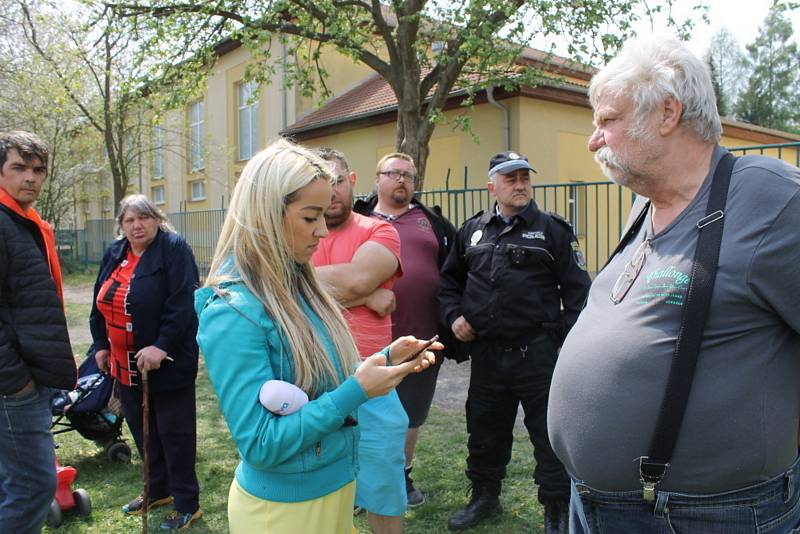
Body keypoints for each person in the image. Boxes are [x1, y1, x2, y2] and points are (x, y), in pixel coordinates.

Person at [547, 35, 800, 533]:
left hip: (704, 515)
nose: (594, 140)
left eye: (608, 121)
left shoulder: (772, 201)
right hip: (596, 502)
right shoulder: (646, 203)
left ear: (667, 114)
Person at [194, 138, 439, 534]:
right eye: (310, 217)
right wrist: (356, 390)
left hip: (333, 490)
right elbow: (261, 444)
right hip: (283, 512)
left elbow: (316, 377)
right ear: (266, 215)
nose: (323, 231)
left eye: (324, 215)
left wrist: (383, 362)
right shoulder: (232, 311)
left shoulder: (299, 284)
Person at [439, 150, 591, 532]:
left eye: (525, 177)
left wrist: (567, 348)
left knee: (548, 434)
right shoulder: (472, 230)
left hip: (537, 354)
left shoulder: (552, 230)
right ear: (492, 186)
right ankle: (484, 498)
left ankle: (556, 509)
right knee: (485, 430)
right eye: (511, 178)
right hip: (488, 356)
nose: (520, 184)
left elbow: (578, 294)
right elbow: (448, 284)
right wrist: (454, 316)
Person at [311, 148, 409, 534]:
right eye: (320, 183)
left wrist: (357, 287)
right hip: (314, 381)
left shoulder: (379, 230)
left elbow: (356, 280)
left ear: (351, 181)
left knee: (383, 488)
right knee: (320, 493)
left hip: (373, 380)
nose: (331, 192)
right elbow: (278, 286)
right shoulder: (299, 233)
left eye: (336, 180)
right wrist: (366, 297)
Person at [90, 194, 201, 530]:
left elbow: (182, 302)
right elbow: (100, 298)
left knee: (174, 433)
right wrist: (100, 344)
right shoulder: (115, 252)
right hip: (125, 364)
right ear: (121, 225)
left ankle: (186, 503)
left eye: (144, 218)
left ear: (157, 219)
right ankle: (157, 490)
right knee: (143, 430)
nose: (137, 225)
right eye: (129, 220)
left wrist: (160, 345)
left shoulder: (173, 248)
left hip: (165, 363)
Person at [353, 152, 456, 507]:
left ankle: (402, 475)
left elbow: (453, 269)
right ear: (377, 178)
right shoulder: (358, 219)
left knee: (411, 413)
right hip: (362, 337)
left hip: (419, 336)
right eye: (394, 173)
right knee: (358, 407)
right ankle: (355, 478)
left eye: (409, 176)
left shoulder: (431, 221)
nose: (402, 180)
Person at [0, 130, 77, 533]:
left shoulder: (25, 223)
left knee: (12, 484)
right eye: (19, 168)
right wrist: (17, 382)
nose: (30, 177)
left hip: (29, 379)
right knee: (33, 485)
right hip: (15, 387)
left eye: (38, 170)